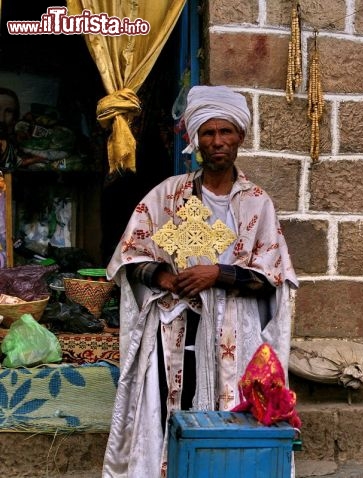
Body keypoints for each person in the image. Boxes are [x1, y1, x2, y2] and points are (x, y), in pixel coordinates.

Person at [102, 85, 298, 478]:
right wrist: (164, 276)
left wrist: (217, 274)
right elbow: (130, 256)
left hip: (234, 332)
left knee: (232, 415)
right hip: (175, 330)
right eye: (208, 133)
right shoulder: (167, 196)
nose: (217, 141)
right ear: (194, 139)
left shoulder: (258, 202)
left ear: (240, 137)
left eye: (226, 132)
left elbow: (272, 278)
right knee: (171, 414)